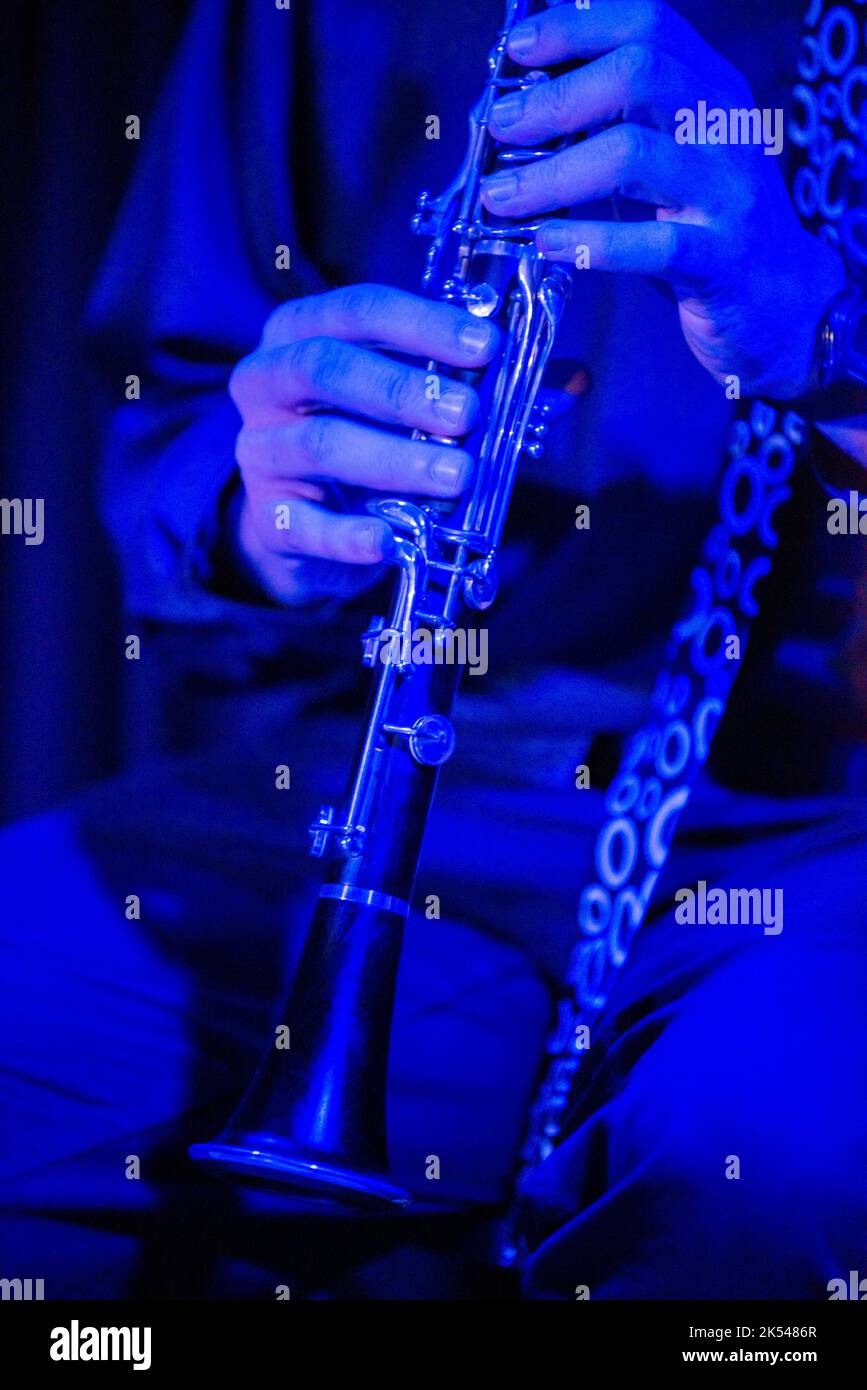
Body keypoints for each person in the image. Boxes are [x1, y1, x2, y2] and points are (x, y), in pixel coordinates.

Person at [2, 0, 866, 1300]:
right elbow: (166, 419)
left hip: (823, 830)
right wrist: (274, 520)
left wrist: (825, 326)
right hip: (417, 779)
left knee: (779, 1142)